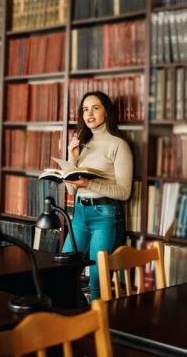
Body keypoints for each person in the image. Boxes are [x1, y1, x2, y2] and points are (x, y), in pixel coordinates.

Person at [62, 90, 133, 301]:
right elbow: (70, 190)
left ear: (106, 111)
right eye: (85, 109)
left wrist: (90, 183)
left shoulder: (118, 145)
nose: (89, 114)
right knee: (61, 270)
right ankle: (79, 317)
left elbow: (124, 192)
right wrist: (72, 159)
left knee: (96, 280)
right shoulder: (82, 145)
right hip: (80, 213)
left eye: (95, 108)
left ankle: (99, 329)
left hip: (105, 215)